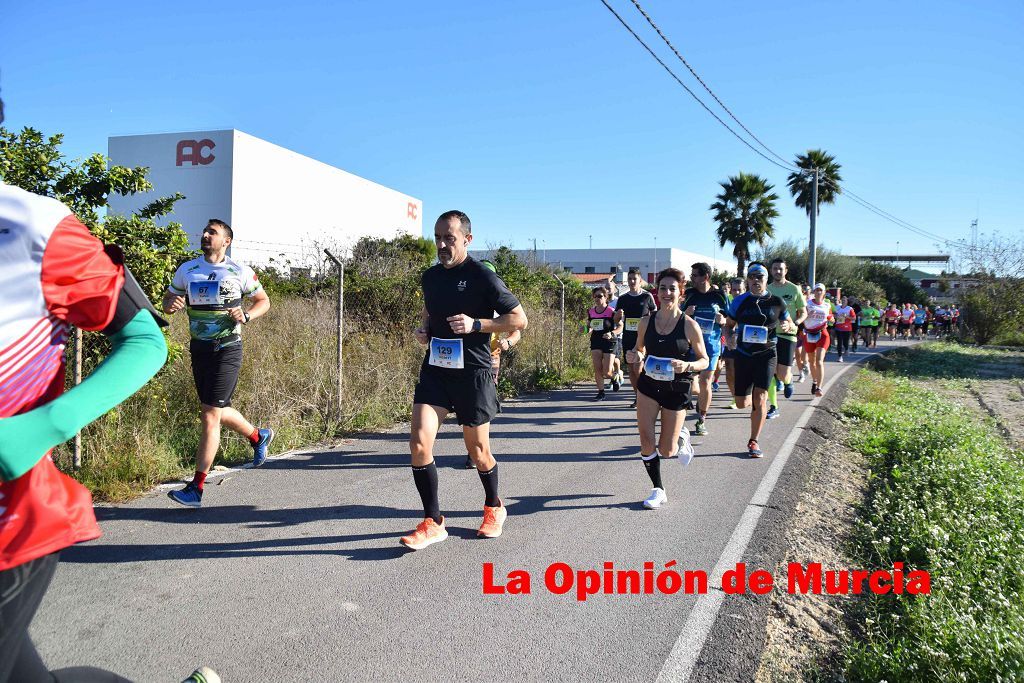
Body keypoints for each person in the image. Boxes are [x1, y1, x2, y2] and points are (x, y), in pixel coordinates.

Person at [0, 100, 217, 681]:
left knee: (213, 411)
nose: (207, 238)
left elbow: (146, 341)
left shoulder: (34, 226)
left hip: (12, 521)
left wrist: (37, 430)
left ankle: (214, 468)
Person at [402, 210, 528, 550]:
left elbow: (519, 319)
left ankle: (494, 506)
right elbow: (429, 310)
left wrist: (478, 325)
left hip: (473, 372)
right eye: (438, 237)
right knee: (418, 444)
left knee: (478, 451)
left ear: (467, 240)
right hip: (436, 371)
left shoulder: (482, 277)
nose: (442, 244)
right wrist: (424, 329)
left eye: (450, 238)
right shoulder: (430, 277)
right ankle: (433, 522)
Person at [163, 219, 274, 508]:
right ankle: (257, 435)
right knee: (216, 409)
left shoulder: (239, 271)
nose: (205, 235)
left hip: (227, 348)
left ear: (226, 241)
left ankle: (196, 488)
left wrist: (246, 315)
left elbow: (263, 300)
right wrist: (171, 305)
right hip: (198, 347)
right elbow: (170, 299)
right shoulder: (187, 269)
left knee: (210, 415)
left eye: (212, 232)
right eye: (204, 231)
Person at [626, 268, 708, 509]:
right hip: (649, 385)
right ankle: (658, 489)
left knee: (668, 450)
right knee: (646, 440)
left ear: (680, 292)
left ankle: (682, 435)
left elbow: (704, 360)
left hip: (676, 388)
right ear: (657, 292)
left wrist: (687, 364)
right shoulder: (646, 322)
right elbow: (639, 349)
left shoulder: (690, 326)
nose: (667, 293)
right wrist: (634, 355)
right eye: (663, 288)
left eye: (672, 288)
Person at [721, 263, 794, 458]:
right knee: (741, 402)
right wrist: (728, 337)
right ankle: (751, 397)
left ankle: (754, 441)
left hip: (767, 354)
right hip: (744, 355)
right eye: (752, 277)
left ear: (765, 280)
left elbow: (788, 321)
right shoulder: (739, 302)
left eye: (759, 277)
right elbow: (728, 325)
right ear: (748, 280)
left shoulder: (777, 301)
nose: (755, 280)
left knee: (760, 397)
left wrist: (786, 325)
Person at [683, 262, 728, 436]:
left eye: (695, 275)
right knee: (693, 384)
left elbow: (729, 319)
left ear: (705, 277)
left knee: (706, 382)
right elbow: (678, 316)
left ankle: (701, 419)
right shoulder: (689, 294)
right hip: (691, 346)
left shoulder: (719, 295)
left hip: (711, 346)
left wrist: (722, 320)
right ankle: (698, 402)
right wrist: (686, 312)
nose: (691, 278)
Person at [766, 258, 806, 418]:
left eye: (780, 269)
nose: (778, 271)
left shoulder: (794, 289)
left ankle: (787, 381)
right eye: (775, 268)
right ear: (771, 270)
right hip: (769, 335)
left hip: (788, 335)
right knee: (769, 371)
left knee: (782, 373)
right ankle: (774, 407)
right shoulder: (766, 289)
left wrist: (794, 323)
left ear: (785, 271)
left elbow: (804, 312)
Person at [613, 268, 658, 409]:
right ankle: (638, 397)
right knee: (632, 370)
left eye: (634, 279)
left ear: (640, 280)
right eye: (630, 278)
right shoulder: (623, 298)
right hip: (628, 337)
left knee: (638, 369)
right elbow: (615, 320)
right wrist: (618, 315)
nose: (632, 281)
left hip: (643, 338)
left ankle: (645, 396)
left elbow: (655, 315)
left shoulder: (647, 297)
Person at [587, 286, 623, 401]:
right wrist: (585, 329)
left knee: (606, 372)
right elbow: (588, 326)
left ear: (605, 297)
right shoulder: (591, 311)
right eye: (595, 296)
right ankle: (601, 392)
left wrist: (612, 333)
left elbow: (621, 326)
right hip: (596, 341)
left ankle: (614, 377)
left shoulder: (611, 311)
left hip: (609, 341)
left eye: (600, 296)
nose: (597, 298)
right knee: (597, 369)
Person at [802, 284, 834, 397]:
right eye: (817, 290)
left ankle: (819, 388)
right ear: (814, 292)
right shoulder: (808, 304)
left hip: (822, 334)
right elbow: (801, 315)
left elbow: (831, 318)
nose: (819, 292)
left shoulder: (827, 305)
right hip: (809, 334)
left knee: (819, 361)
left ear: (824, 293)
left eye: (821, 290)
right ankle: (815, 381)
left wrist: (831, 319)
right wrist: (807, 315)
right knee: (811, 361)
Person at [722, 277, 746, 409]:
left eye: (739, 290)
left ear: (745, 290)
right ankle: (735, 397)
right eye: (734, 290)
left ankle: (748, 394)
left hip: (747, 340)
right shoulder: (728, 301)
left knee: (744, 371)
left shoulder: (749, 301)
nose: (736, 293)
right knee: (730, 371)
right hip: (731, 338)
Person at [794, 283, 812, 383]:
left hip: (806, 329)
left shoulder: (807, 300)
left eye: (799, 289)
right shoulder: (791, 299)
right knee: (797, 353)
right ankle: (801, 374)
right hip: (796, 329)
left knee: (804, 355)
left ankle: (805, 364)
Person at [833, 296, 855, 362]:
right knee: (839, 342)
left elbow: (854, 318)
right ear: (840, 301)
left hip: (847, 328)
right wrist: (835, 316)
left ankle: (846, 348)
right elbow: (833, 314)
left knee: (845, 342)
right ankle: (840, 357)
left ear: (847, 301)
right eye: (842, 300)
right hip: (838, 327)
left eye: (844, 300)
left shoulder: (849, 308)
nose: (843, 301)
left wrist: (846, 316)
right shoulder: (837, 307)